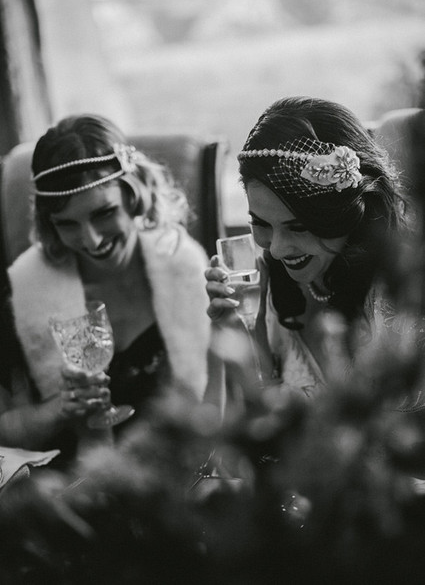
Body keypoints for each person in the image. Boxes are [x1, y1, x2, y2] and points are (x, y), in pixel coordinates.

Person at [1, 114, 211, 465]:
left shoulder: (185, 266)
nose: (92, 240)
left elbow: (219, 403)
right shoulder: (22, 291)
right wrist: (58, 410)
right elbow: (5, 429)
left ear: (134, 193)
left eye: (103, 213)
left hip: (177, 467)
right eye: (68, 224)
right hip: (71, 477)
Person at [206, 96, 410, 398]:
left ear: (348, 212)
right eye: (261, 224)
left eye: (298, 227)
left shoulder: (402, 301)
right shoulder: (262, 286)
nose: (276, 250)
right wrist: (246, 336)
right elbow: (262, 416)